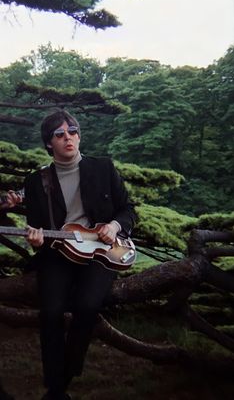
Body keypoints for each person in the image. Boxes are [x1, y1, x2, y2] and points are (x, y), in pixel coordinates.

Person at [23, 109, 136, 400]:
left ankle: (65, 377)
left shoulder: (103, 168)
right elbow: (37, 226)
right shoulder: (37, 181)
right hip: (57, 252)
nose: (68, 138)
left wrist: (113, 225)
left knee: (87, 306)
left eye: (72, 131)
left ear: (79, 135)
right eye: (59, 135)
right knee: (50, 313)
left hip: (100, 252)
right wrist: (36, 241)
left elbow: (128, 210)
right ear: (49, 143)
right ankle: (56, 386)